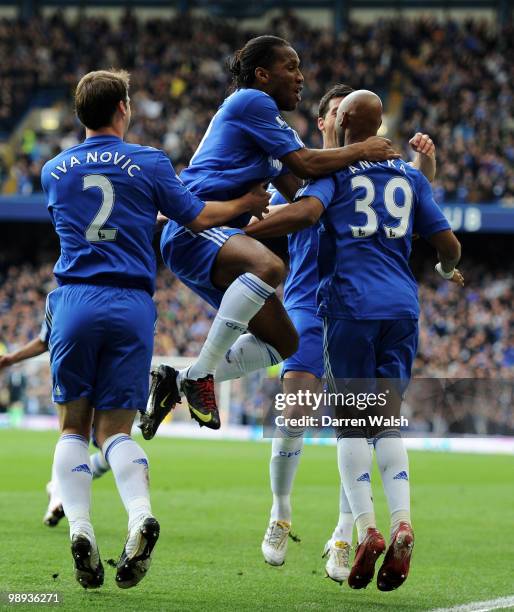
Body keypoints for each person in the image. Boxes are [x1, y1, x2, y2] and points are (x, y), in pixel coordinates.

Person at [40, 69, 269, 590]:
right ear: (123, 107)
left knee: (74, 428)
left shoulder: (54, 169)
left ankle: (80, 528)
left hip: (74, 298)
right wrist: (245, 205)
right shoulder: (147, 162)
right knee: (116, 432)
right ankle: (140, 515)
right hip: (130, 302)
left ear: (80, 114)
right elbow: (197, 217)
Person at [244, 89, 463, 591]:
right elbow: (437, 233)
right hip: (388, 308)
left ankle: (356, 531)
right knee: (374, 419)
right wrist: (447, 265)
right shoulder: (327, 168)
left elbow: (303, 215)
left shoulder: (332, 175)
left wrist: (227, 227)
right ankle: (381, 518)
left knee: (350, 426)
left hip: (345, 307)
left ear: (341, 120)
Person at [144, 35, 400, 435]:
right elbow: (307, 164)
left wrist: (349, 187)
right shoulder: (251, 101)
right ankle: (201, 377)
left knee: (284, 343)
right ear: (262, 75)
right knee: (268, 264)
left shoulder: (268, 129)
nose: (300, 77)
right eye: (291, 68)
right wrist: (360, 151)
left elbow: (301, 190)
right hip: (196, 228)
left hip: (218, 238)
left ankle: (178, 380)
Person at [0, 323, 111, 527]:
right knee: (76, 434)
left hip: (109, 373)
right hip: (81, 373)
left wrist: (10, 358)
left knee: (112, 450)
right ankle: (61, 500)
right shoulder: (62, 298)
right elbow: (44, 339)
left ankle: (57, 488)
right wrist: (11, 359)